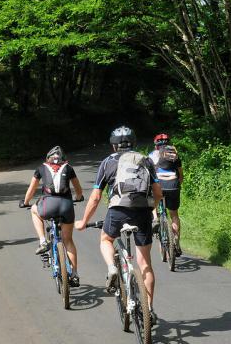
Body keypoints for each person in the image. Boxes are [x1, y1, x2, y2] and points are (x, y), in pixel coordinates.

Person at [75, 126, 162, 324]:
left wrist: (84, 221)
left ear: (114, 145)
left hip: (118, 211)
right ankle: (148, 309)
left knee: (106, 239)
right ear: (134, 142)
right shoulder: (146, 160)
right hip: (142, 212)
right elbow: (158, 193)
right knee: (145, 263)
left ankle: (111, 269)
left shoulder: (108, 162)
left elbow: (96, 196)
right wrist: (151, 209)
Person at [21, 146, 84, 286]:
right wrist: (78, 197)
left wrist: (25, 202)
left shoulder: (41, 168)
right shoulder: (68, 168)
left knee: (33, 210)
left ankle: (43, 240)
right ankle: (74, 274)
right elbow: (78, 189)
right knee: (68, 240)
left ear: (47, 158)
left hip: (48, 206)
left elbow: (31, 189)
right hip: (67, 206)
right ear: (63, 159)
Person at [149, 133, 184, 256]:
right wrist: (177, 185)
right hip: (173, 185)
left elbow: (148, 174)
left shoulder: (152, 155)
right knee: (174, 214)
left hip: (159, 185)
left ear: (156, 144)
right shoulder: (174, 153)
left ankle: (155, 218)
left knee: (152, 200)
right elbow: (181, 175)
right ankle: (176, 243)